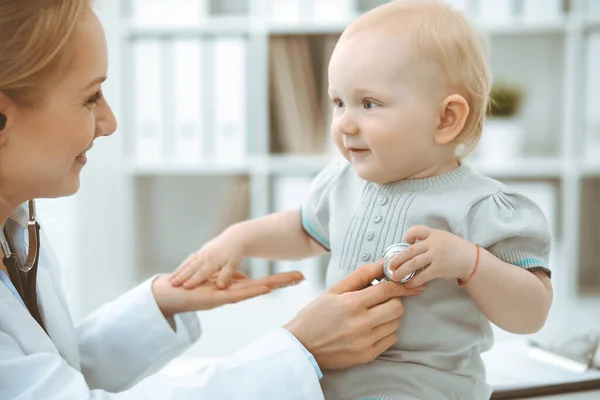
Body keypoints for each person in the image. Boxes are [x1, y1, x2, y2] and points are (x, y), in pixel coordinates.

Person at [0, 1, 421, 399]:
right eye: (91, 96)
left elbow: (54, 375)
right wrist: (299, 349)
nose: (109, 123)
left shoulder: (16, 231)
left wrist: (161, 302)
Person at [170, 0, 555, 399]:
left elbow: (531, 314)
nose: (344, 123)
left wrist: (469, 262)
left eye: (368, 104)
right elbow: (303, 230)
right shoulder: (342, 183)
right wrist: (240, 238)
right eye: (338, 102)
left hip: (425, 387)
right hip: (329, 375)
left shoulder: (482, 208)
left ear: (446, 120)